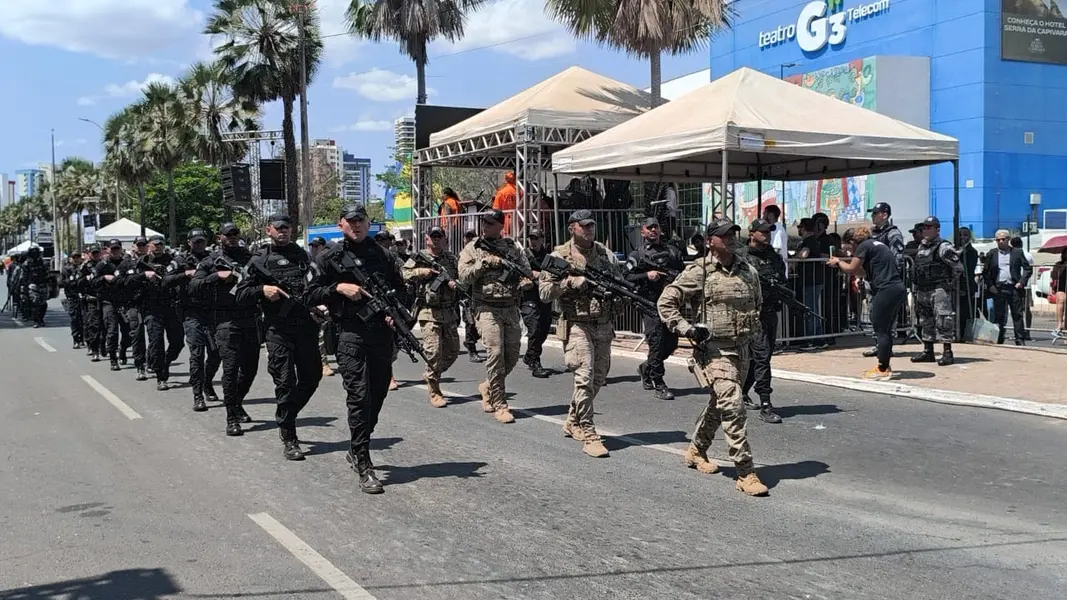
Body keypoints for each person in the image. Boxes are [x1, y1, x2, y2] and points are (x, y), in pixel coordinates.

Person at [657, 217, 768, 496]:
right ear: (710, 241)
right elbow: (666, 301)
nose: (730, 238)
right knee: (733, 404)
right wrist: (686, 329)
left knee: (720, 405)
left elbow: (757, 305)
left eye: (733, 233)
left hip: (742, 349)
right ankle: (745, 472)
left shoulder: (748, 271)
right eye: (724, 234)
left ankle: (696, 450)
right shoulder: (699, 272)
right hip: (714, 350)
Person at [306, 203, 406, 494]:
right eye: (350, 221)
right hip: (349, 334)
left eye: (360, 220)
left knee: (378, 394)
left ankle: (356, 445)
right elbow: (308, 293)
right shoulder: (329, 257)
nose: (356, 225)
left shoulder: (383, 254)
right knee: (359, 395)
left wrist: (395, 312)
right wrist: (338, 289)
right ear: (341, 225)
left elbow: (401, 289)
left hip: (381, 335)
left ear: (367, 222)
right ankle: (364, 461)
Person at [240, 213, 323, 461]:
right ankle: (290, 437)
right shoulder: (259, 260)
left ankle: (286, 414)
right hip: (277, 329)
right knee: (284, 382)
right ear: (269, 230)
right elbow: (239, 292)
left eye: (286, 228)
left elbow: (317, 284)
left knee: (312, 377)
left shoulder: (303, 257)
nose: (283, 232)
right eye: (278, 228)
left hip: (306, 327)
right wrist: (262, 290)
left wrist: (321, 305)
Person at [539, 210, 616, 458]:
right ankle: (589, 433)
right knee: (584, 376)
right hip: (576, 324)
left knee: (599, 376)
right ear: (572, 228)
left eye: (591, 225)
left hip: (603, 323)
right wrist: (569, 283)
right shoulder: (559, 256)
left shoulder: (604, 253)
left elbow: (618, 280)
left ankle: (573, 420)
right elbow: (544, 293)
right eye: (584, 226)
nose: (589, 229)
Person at [458, 209, 530, 424]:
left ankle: (488, 385)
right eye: (484, 223)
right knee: (496, 352)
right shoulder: (473, 248)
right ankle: (500, 403)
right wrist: (483, 264)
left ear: (501, 225)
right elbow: (463, 277)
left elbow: (525, 270)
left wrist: (524, 281)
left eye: (490, 223)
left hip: (510, 307)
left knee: (512, 354)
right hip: (485, 308)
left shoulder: (512, 248)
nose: (485, 226)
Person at [189, 223, 259, 436]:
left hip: (250, 317)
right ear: (219, 237)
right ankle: (231, 416)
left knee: (250, 370)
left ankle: (237, 402)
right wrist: (216, 277)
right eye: (227, 234)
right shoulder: (210, 261)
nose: (231, 237)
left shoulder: (250, 259)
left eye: (235, 234)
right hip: (224, 320)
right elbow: (193, 286)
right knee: (230, 368)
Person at [827, 227, 905, 380]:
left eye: (848, 247)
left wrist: (838, 261)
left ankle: (882, 368)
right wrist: (845, 263)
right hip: (896, 288)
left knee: (880, 328)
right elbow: (861, 272)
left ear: (852, 242)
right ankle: (884, 364)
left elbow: (851, 268)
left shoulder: (863, 246)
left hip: (886, 289)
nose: (850, 252)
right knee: (886, 329)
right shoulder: (876, 244)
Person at [625, 216, 684, 400]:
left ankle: (647, 368)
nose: (653, 230)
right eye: (649, 228)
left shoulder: (672, 252)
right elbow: (626, 277)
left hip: (669, 304)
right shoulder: (637, 255)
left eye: (656, 227)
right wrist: (646, 275)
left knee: (671, 343)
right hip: (648, 303)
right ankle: (658, 382)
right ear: (642, 231)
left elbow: (683, 274)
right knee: (656, 342)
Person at [402, 226, 461, 408]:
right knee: (433, 351)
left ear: (445, 239)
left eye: (439, 236)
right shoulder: (419, 258)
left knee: (452, 351)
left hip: (448, 310)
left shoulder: (451, 259)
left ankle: (430, 373)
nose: (436, 240)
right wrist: (421, 272)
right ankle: (435, 391)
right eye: (433, 236)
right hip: (428, 310)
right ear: (427, 238)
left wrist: (455, 284)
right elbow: (403, 273)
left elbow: (462, 277)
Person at [164, 229, 220, 411]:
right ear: (189, 242)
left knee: (216, 352)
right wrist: (185, 275)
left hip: (212, 311)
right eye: (195, 242)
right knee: (197, 353)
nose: (199, 244)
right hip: (191, 313)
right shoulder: (180, 260)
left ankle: (207, 383)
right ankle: (197, 395)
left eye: (202, 241)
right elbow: (165, 280)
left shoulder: (213, 259)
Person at [739, 218, 785, 423]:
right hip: (751, 313)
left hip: (769, 312)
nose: (766, 235)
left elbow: (782, 279)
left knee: (761, 356)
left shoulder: (773, 257)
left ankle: (741, 392)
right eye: (763, 232)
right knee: (762, 355)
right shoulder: (741, 257)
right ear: (752, 233)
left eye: (769, 232)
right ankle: (766, 403)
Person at [910, 216, 963, 366]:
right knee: (926, 321)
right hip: (923, 289)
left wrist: (948, 283)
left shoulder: (944, 247)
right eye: (924, 228)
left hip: (939, 289)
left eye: (929, 227)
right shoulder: (922, 247)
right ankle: (928, 351)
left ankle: (947, 352)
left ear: (937, 229)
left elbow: (958, 268)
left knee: (944, 320)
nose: (925, 230)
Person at [982, 230, 1032, 345]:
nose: (1000, 241)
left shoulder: (1017, 252)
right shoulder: (992, 253)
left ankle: (1019, 339)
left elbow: (1027, 268)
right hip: (998, 288)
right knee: (999, 315)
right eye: (998, 239)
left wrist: (1021, 282)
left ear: (1008, 239)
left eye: (1003, 239)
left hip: (1014, 287)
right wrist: (991, 286)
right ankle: (999, 338)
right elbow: (986, 272)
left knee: (1017, 314)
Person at [93, 239, 131, 371]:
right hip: (108, 302)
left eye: (117, 248)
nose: (115, 251)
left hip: (125, 302)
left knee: (129, 332)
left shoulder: (126, 264)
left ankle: (123, 351)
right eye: (112, 248)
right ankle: (113, 359)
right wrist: (103, 278)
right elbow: (93, 282)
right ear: (107, 249)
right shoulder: (102, 265)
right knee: (112, 331)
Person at [521, 228, 553, 379]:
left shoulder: (548, 256)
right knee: (534, 327)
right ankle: (535, 361)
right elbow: (518, 270)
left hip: (544, 297)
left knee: (544, 329)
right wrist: (530, 274)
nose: (533, 241)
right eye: (531, 238)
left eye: (536, 238)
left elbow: (555, 273)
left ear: (542, 240)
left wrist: (543, 275)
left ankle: (530, 355)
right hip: (528, 297)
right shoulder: (524, 255)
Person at [118, 237, 151, 380]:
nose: (142, 247)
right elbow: (119, 282)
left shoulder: (152, 261)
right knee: (137, 334)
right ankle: (140, 365)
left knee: (155, 337)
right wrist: (141, 276)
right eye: (139, 245)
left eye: (144, 245)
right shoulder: (125, 264)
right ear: (133, 246)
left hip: (152, 303)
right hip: (133, 304)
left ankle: (152, 360)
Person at [308, 236, 335, 377]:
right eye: (312, 246)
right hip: (315, 302)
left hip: (331, 301)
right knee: (320, 334)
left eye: (317, 246)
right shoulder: (308, 263)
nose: (314, 249)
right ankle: (323, 363)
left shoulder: (329, 262)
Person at [459, 229, 485, 362]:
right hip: (466, 295)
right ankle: (472, 350)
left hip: (479, 295)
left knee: (479, 323)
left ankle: (471, 341)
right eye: (467, 236)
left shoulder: (479, 254)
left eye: (472, 236)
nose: (469, 239)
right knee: (470, 322)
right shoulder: (462, 256)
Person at [78, 245, 105, 361]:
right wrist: (86, 279)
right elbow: (78, 282)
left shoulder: (105, 265)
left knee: (106, 325)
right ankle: (94, 349)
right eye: (93, 253)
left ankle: (103, 345)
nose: (95, 255)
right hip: (91, 299)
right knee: (93, 325)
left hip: (104, 299)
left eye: (97, 253)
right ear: (89, 254)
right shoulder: (85, 267)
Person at [59, 251, 85, 349]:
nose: (76, 259)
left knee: (84, 319)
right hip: (72, 297)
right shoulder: (66, 269)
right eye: (74, 257)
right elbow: (60, 283)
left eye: (78, 257)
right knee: (74, 318)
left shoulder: (84, 268)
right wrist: (70, 280)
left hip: (83, 297)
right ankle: (76, 339)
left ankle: (83, 337)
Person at [492, 171, 518, 237]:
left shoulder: (501, 192)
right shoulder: (520, 191)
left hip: (505, 221)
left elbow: (496, 209)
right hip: (518, 220)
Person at [1052, 249, 1067, 334]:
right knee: (1061, 300)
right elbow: (1054, 275)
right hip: (1062, 287)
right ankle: (1059, 325)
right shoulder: (1059, 264)